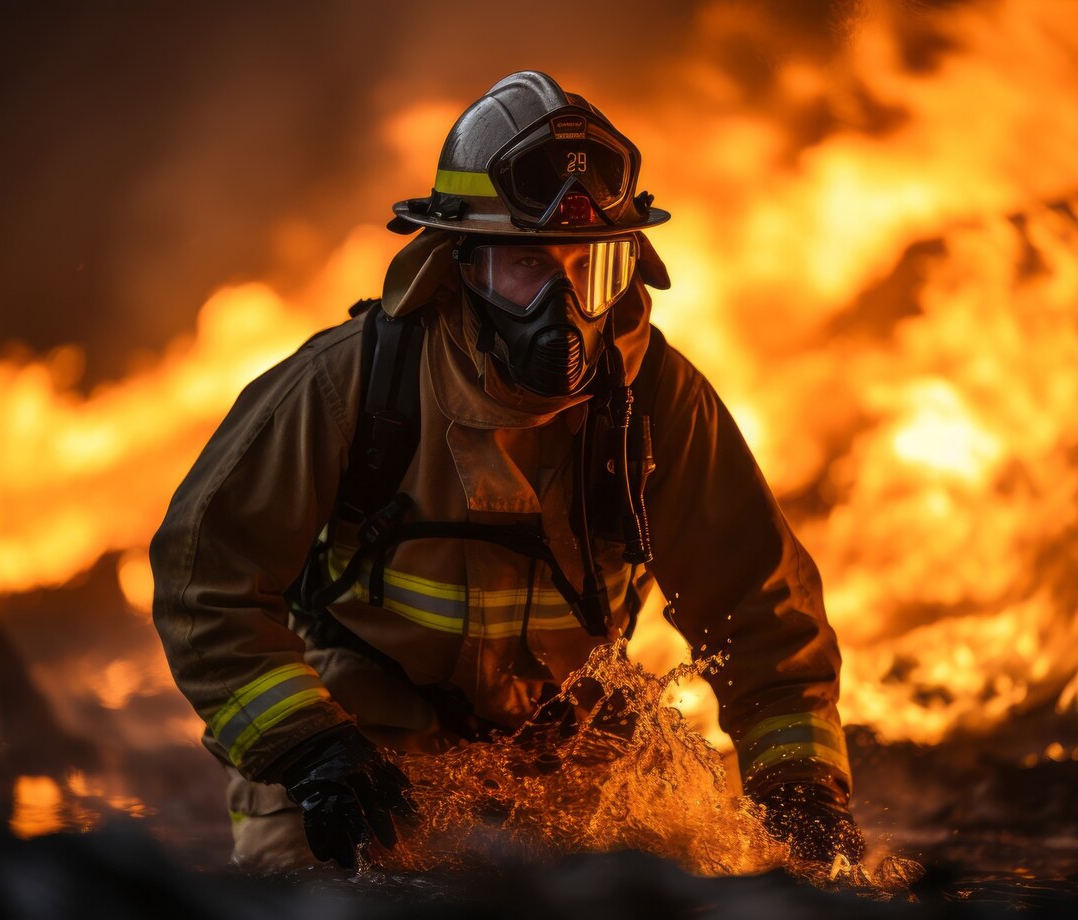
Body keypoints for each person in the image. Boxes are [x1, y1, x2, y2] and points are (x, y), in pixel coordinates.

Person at [150, 70, 863, 873]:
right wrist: (308, 749)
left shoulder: (655, 401)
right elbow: (202, 581)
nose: (561, 309)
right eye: (526, 266)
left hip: (567, 762)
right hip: (364, 760)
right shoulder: (351, 386)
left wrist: (804, 792)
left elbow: (763, 616)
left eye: (589, 270)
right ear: (460, 264)